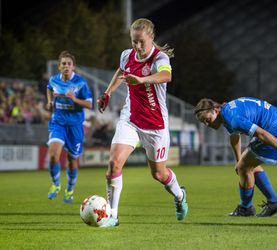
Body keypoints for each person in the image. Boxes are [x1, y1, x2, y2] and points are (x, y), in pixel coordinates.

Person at [97, 18, 188, 227]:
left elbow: (166, 75)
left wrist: (142, 80)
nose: (137, 47)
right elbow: (121, 72)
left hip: (155, 125)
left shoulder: (160, 57)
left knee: (158, 174)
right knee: (113, 164)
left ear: (151, 38)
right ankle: (113, 216)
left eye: (141, 42)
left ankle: (180, 196)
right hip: (130, 119)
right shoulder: (127, 55)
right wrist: (108, 93)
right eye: (134, 42)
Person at [194, 97, 277, 217]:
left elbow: (262, 134)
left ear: (215, 110)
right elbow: (234, 136)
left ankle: (246, 208)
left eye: (207, 120)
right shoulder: (226, 112)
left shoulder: (233, 119)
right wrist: (238, 161)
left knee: (245, 167)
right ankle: (274, 202)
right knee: (246, 164)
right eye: (204, 122)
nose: (207, 124)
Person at [46, 50, 93, 203]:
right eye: (63, 64)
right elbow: (48, 88)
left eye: (69, 64)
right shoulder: (54, 80)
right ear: (59, 67)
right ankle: (56, 185)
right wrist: (49, 101)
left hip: (74, 126)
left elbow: (89, 104)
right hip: (58, 123)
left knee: (72, 161)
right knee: (53, 156)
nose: (66, 66)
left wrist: (74, 99)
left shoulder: (80, 83)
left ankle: (70, 189)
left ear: (73, 67)